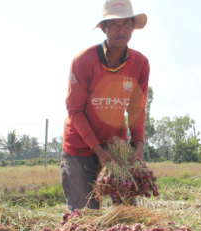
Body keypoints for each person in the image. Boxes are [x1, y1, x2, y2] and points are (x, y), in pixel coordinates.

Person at [60, 0, 149, 211]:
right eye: (115, 24)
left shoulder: (140, 64)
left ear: (133, 27)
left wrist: (138, 145)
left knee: (127, 212)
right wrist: (98, 150)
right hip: (80, 146)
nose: (122, 30)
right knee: (86, 216)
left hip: (115, 145)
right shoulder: (84, 61)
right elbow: (75, 110)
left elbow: (137, 109)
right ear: (104, 28)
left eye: (126, 24)